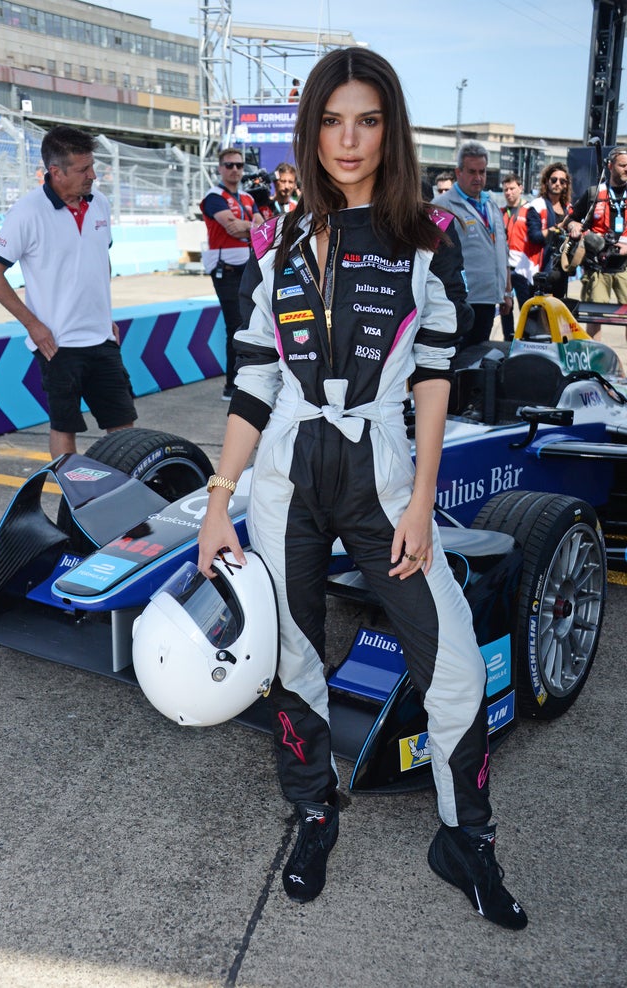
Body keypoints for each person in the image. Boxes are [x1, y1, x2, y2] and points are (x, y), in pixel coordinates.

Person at [197, 47, 527, 931]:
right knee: (294, 660)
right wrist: (220, 497)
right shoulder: (284, 244)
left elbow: (433, 378)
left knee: (453, 662)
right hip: (287, 479)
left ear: (392, 130)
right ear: (312, 132)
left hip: (384, 477)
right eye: (333, 121)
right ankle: (313, 810)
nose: (350, 140)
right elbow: (255, 380)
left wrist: (421, 500)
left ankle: (467, 840)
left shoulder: (428, 238)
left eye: (368, 120)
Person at [0, 125, 136, 457]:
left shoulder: (100, 204)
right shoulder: (27, 212)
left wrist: (105, 316)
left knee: (124, 426)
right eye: (84, 169)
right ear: (56, 172)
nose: (93, 175)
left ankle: (128, 499)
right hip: (57, 345)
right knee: (64, 427)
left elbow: (100, 259)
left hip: (102, 339)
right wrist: (33, 326)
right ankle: (74, 500)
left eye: (92, 166)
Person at [434, 142, 512, 348]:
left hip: (488, 299)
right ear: (458, 172)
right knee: (459, 360)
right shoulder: (444, 207)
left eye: (482, 171)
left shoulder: (491, 204)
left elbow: (502, 250)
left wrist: (506, 291)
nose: (478, 178)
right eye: (472, 172)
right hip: (460, 302)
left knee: (479, 359)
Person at [200, 147, 263, 400]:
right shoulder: (214, 197)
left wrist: (248, 226)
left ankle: (248, 380)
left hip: (249, 268)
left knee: (251, 325)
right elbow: (233, 230)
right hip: (225, 271)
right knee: (235, 327)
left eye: (238, 165)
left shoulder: (248, 198)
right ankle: (232, 385)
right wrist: (253, 227)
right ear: (219, 168)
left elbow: (262, 228)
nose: (235, 169)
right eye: (229, 165)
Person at [565, 146, 627, 339]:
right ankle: (594, 366)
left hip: (625, 267)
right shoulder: (594, 194)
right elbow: (570, 220)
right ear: (610, 166)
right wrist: (574, 227)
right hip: (598, 267)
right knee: (594, 318)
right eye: (623, 165)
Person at [517, 163, 572, 300]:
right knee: (538, 316)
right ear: (547, 181)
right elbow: (534, 236)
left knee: (559, 315)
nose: (557, 183)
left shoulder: (568, 209)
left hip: (561, 269)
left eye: (562, 181)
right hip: (541, 269)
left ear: (566, 185)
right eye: (554, 180)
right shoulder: (537, 205)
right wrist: (556, 229)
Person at [500, 172, 531, 340]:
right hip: (505, 270)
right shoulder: (501, 212)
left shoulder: (530, 211)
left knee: (527, 309)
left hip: (523, 270)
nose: (508, 193)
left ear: (520, 188)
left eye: (512, 188)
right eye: (505, 190)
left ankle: (526, 341)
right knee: (505, 309)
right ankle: (508, 340)